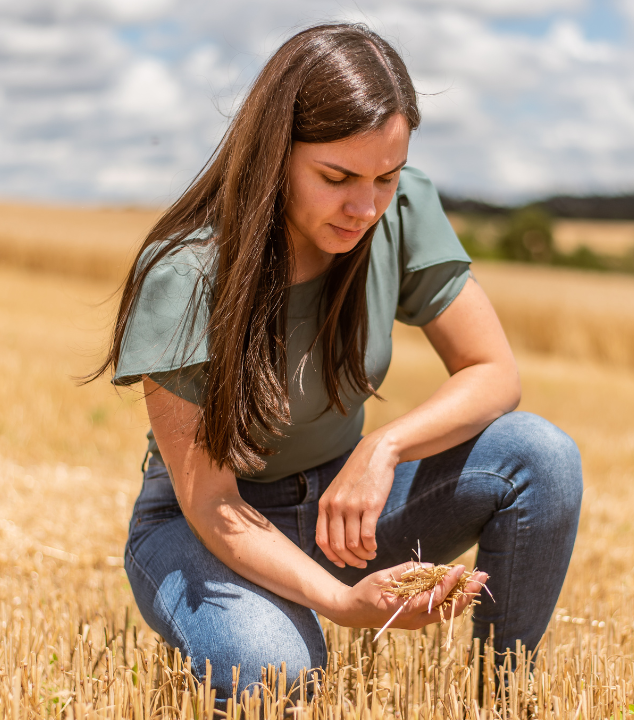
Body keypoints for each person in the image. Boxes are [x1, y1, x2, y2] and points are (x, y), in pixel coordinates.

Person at [88, 22, 583, 703]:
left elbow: (495, 373)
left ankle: (503, 701)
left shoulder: (399, 209)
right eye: (336, 176)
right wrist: (344, 602)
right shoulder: (185, 272)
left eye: (386, 176)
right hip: (205, 529)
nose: (366, 206)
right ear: (275, 153)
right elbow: (211, 500)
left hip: (342, 512)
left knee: (542, 459)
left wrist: (384, 448)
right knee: (274, 673)